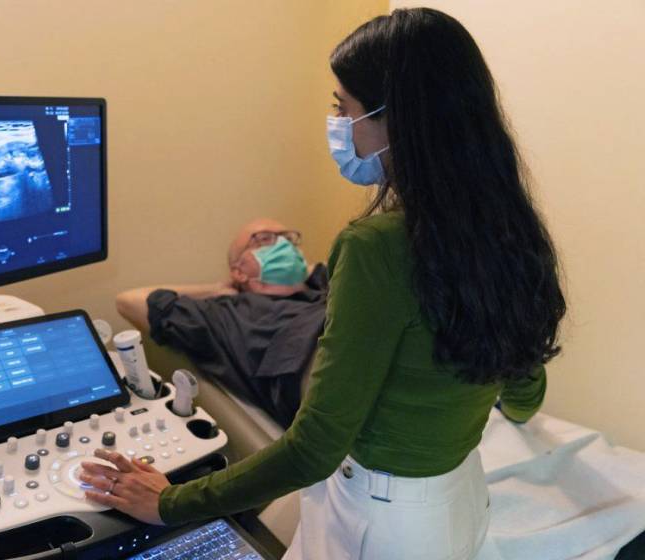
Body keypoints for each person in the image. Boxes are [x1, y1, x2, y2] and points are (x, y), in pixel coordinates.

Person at [81, 8, 566, 560]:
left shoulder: (376, 247)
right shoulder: (505, 228)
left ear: (395, 119)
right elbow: (525, 379)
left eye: (343, 108)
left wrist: (169, 502)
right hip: (458, 503)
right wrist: (520, 414)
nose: (337, 123)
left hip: (385, 525)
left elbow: (314, 448)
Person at [115, 217, 328, 427]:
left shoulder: (323, 286)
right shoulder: (225, 313)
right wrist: (216, 290)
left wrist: (304, 274)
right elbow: (128, 301)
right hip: (323, 367)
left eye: (289, 240)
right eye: (265, 239)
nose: (284, 246)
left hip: (347, 336)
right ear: (239, 271)